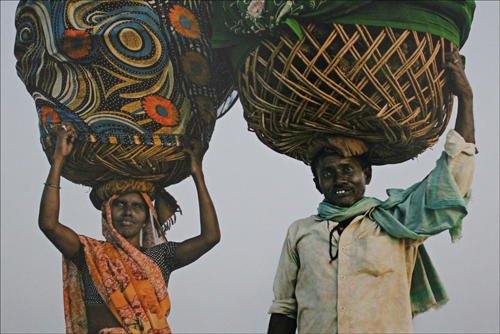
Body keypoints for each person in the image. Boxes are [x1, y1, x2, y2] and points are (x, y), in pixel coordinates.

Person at [267, 47, 475, 334]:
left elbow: (452, 177)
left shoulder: (398, 222)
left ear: (366, 174)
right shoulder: (300, 233)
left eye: (348, 170)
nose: (340, 179)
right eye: (328, 173)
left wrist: (465, 98)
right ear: (317, 183)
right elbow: (284, 309)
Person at [39, 122, 220, 334]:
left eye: (137, 207)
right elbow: (49, 225)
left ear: (146, 218)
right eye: (120, 204)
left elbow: (210, 237)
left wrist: (197, 174)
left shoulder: (160, 257)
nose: (128, 212)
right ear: (108, 211)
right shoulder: (88, 254)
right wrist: (58, 159)